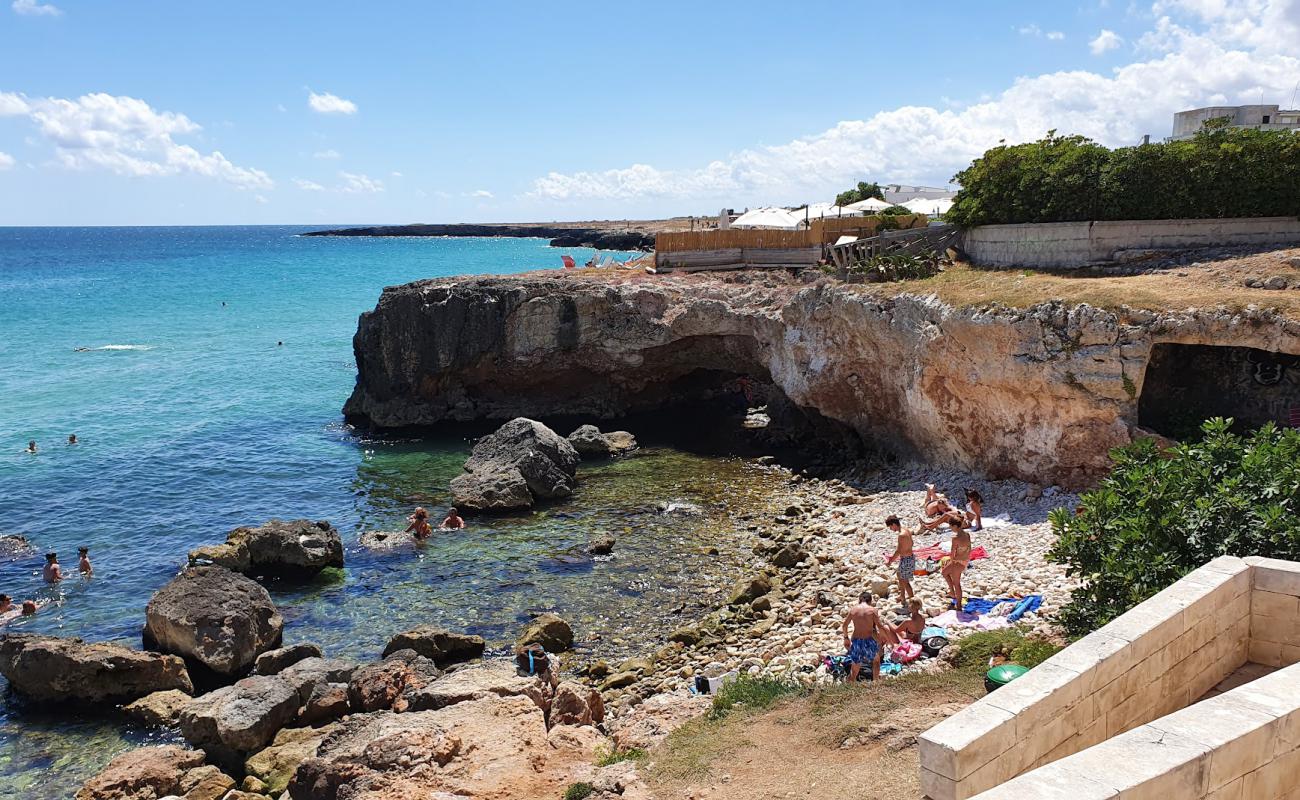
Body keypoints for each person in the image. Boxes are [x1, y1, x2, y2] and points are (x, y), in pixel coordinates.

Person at [840, 591, 888, 682]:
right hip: (869, 639)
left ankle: (850, 683)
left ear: (859, 600)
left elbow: (844, 625)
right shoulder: (872, 610)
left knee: (855, 666)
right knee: (876, 661)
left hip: (857, 640)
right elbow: (880, 626)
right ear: (870, 601)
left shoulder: (853, 610)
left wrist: (846, 638)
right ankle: (876, 682)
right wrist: (884, 637)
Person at [942, 517, 972, 611]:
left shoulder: (955, 538)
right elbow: (969, 548)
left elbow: (952, 552)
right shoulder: (967, 534)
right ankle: (952, 591)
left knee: (956, 583)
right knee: (944, 572)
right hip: (965, 560)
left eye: (951, 526)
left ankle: (958, 605)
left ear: (955, 526)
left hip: (957, 561)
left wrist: (951, 560)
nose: (951, 528)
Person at [883, 515, 916, 604]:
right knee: (899, 575)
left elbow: (898, 551)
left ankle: (913, 601)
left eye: (890, 526)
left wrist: (890, 561)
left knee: (905, 581)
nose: (890, 529)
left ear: (894, 524)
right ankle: (902, 596)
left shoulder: (901, 535)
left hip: (906, 560)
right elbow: (912, 543)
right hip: (910, 557)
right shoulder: (907, 531)